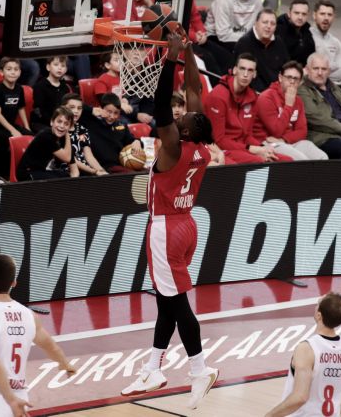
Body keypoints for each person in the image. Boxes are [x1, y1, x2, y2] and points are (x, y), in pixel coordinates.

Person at [121, 31, 219, 409]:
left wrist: (170, 59)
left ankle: (200, 369)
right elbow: (194, 91)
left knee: (177, 304)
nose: (181, 115)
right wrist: (189, 54)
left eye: (185, 118)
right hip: (187, 224)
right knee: (166, 301)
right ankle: (153, 368)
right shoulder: (201, 147)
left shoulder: (174, 147)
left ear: (188, 130)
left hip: (165, 227)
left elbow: (162, 105)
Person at [0, 254, 76, 417]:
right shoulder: (30, 316)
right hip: (21, 399)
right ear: (14, 282)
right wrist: (65, 363)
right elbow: (51, 347)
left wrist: (11, 400)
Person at [265, 292, 341, 417]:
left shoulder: (307, 348)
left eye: (317, 304)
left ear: (319, 315)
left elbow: (300, 397)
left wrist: (269, 415)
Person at [204, 53, 288, 164]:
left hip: (242, 147)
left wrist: (262, 148)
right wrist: (252, 149)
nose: (245, 74)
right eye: (242, 69)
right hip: (221, 149)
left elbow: (247, 135)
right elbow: (219, 140)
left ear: (254, 74)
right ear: (234, 70)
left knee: (286, 160)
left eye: (250, 70)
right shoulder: (218, 96)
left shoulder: (252, 96)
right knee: (259, 162)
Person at [254, 60, 328, 160]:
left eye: (296, 79)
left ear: (300, 82)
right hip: (268, 142)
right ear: (280, 77)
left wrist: (284, 139)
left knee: (322, 157)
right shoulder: (266, 97)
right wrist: (288, 105)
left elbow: (302, 131)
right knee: (302, 160)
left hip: (287, 141)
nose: (292, 81)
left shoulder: (298, 101)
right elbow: (276, 131)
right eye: (289, 77)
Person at [0, 57, 33, 179]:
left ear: (20, 72)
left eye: (16, 69)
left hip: (10, 125)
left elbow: (21, 108)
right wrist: (13, 130)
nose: (13, 72)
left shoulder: (19, 88)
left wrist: (26, 127)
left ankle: (24, 169)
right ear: (1, 72)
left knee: (31, 137)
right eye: (9, 69)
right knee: (10, 139)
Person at [82, 92, 144, 173]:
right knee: (136, 175)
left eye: (116, 113)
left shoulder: (121, 125)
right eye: (109, 112)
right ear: (100, 108)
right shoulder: (90, 121)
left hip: (121, 165)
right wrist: (92, 110)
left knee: (147, 173)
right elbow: (72, 105)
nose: (112, 116)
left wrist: (137, 141)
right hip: (104, 167)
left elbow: (131, 140)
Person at [234, 8, 289, 93]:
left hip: (278, 90)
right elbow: (248, 78)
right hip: (256, 93)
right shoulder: (244, 43)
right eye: (265, 22)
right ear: (256, 23)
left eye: (272, 24)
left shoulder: (279, 41)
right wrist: (269, 94)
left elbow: (286, 68)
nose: (269, 26)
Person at [16, 107, 79, 181]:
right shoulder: (46, 136)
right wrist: (67, 134)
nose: (62, 126)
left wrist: (73, 179)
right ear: (52, 122)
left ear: (70, 126)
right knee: (60, 181)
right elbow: (67, 158)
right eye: (59, 121)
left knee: (65, 176)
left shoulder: (62, 137)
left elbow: (73, 167)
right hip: (27, 172)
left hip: (40, 171)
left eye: (66, 124)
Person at [61, 93, 108, 176]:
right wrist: (95, 171)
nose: (76, 111)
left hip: (86, 171)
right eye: (72, 107)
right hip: (67, 172)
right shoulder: (59, 130)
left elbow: (88, 155)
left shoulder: (82, 129)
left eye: (79, 108)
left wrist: (101, 171)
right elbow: (70, 159)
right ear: (63, 108)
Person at [31, 56, 72, 132]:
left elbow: (66, 108)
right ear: (48, 67)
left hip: (60, 123)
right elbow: (38, 111)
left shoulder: (65, 87)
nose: (59, 68)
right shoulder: (40, 86)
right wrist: (54, 123)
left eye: (63, 66)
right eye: (56, 65)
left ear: (66, 69)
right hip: (41, 123)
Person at [275, 0, 316, 66]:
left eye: (304, 14)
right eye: (296, 13)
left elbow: (311, 55)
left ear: (307, 16)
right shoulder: (278, 30)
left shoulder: (307, 31)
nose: (300, 17)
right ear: (289, 13)